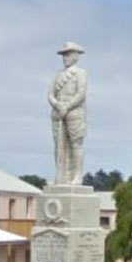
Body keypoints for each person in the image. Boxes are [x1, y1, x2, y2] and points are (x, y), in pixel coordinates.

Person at [48, 41, 88, 185]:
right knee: (58, 145)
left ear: (76, 56)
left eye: (68, 54)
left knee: (75, 144)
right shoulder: (57, 75)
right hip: (58, 112)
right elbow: (50, 94)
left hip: (74, 112)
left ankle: (77, 176)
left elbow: (81, 93)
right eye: (64, 55)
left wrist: (68, 106)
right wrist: (57, 105)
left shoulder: (80, 73)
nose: (65, 58)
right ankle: (60, 176)